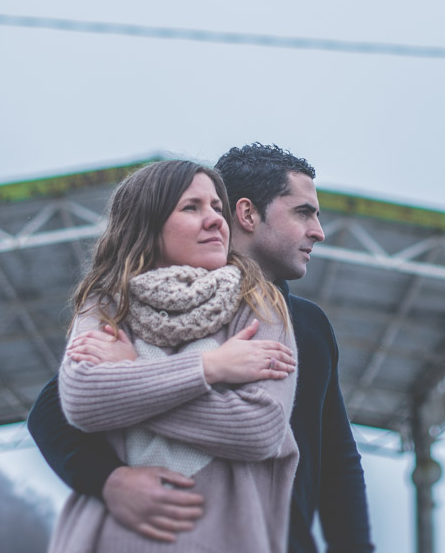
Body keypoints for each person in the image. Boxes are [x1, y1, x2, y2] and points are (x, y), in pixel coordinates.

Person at [29, 144, 374, 552]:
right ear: (247, 214)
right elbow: (59, 407)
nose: (318, 230)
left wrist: (137, 373)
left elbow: (336, 462)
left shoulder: (306, 325)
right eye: (304, 212)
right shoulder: (145, 305)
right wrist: (109, 480)